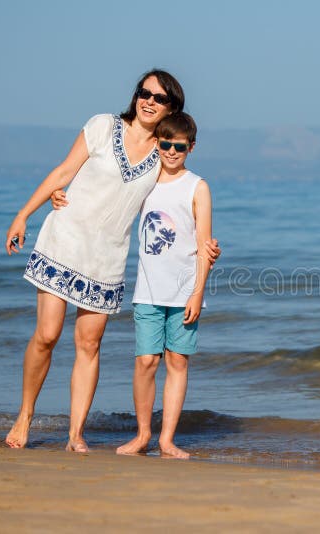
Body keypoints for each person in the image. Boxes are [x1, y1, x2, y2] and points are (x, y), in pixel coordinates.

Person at [4, 70, 220, 452]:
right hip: (64, 241)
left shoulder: (163, 152)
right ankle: (25, 414)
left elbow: (175, 203)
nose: (149, 100)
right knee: (48, 335)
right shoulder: (103, 127)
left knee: (89, 345)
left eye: (160, 97)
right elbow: (64, 172)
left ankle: (74, 435)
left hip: (107, 259)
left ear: (172, 108)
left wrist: (205, 246)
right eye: (144, 92)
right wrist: (25, 213)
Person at [107, 112, 210, 459]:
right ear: (157, 143)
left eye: (178, 146)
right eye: (164, 144)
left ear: (190, 147)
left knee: (177, 362)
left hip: (185, 292)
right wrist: (61, 195)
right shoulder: (145, 181)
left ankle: (167, 440)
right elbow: (107, 201)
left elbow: (204, 245)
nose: (170, 151)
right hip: (148, 291)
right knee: (146, 362)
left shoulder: (197, 186)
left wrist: (198, 293)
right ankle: (142, 435)